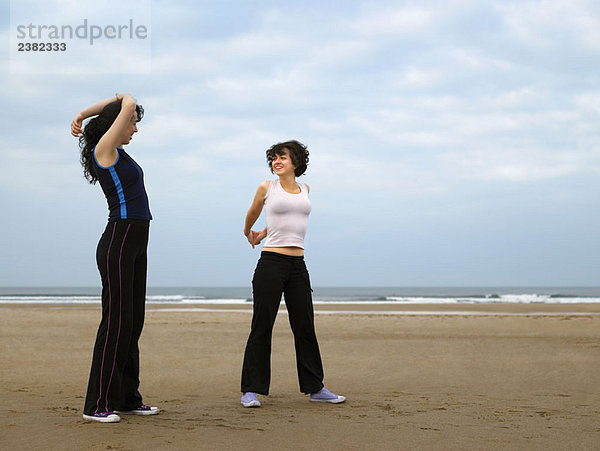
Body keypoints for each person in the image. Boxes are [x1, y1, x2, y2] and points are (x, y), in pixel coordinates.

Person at [71, 93, 159, 423]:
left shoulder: (119, 152)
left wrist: (82, 111)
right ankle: (97, 405)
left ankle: (126, 398)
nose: (135, 128)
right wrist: (89, 112)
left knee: (133, 321)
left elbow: (122, 102)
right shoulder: (104, 151)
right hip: (119, 240)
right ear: (115, 125)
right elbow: (126, 98)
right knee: (116, 323)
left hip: (136, 240)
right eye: (133, 122)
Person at [240, 140, 345, 407]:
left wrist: (267, 229)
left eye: (282, 157)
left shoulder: (305, 189)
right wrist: (250, 232)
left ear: (295, 162)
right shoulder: (267, 187)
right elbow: (253, 212)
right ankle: (251, 390)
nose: (277, 162)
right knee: (262, 326)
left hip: (298, 266)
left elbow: (289, 217)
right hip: (271, 263)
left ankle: (315, 387)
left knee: (305, 326)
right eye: (273, 158)